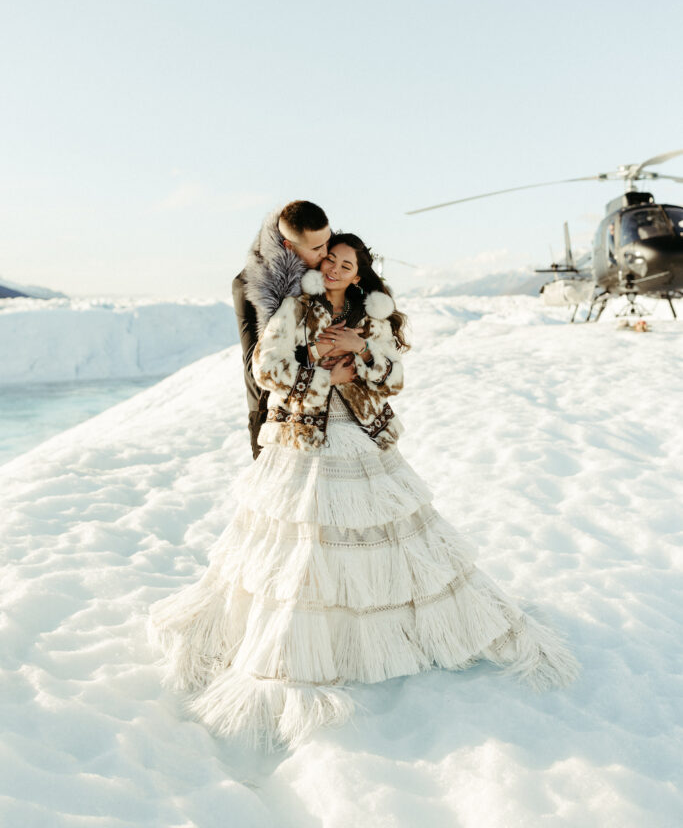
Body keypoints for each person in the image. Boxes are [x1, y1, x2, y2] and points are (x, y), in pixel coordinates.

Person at [149, 233, 579, 752]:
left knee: (376, 535)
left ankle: (381, 637)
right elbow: (267, 371)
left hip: (360, 435)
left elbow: (393, 377)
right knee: (304, 540)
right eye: (328, 258)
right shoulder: (295, 307)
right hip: (303, 433)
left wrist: (360, 350)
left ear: (358, 273)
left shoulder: (371, 315)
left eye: (345, 263)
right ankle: (301, 643)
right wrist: (321, 374)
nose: (332, 267)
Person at [232, 200, 331, 459]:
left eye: (328, 241)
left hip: (330, 412)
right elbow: (259, 367)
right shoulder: (251, 286)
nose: (326, 252)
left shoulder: (329, 268)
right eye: (317, 248)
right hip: (272, 414)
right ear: (289, 246)